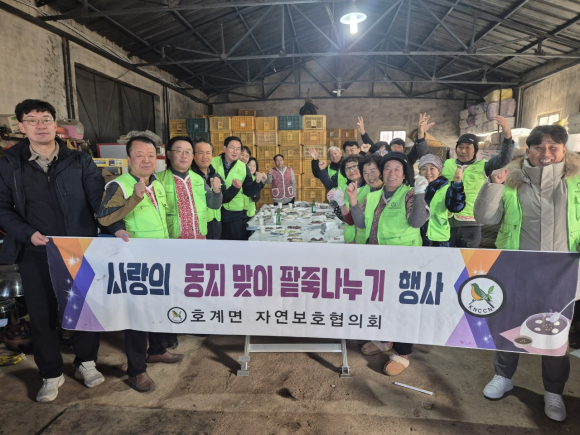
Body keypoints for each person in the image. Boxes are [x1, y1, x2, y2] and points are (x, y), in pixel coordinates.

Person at [0, 99, 105, 402]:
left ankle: (86, 362)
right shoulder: (9, 163)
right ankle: (51, 373)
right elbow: (2, 208)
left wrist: (117, 226)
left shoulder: (79, 160)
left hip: (78, 248)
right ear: (21, 127)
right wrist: (27, 233)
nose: (40, 125)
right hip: (36, 251)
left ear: (55, 124)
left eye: (45, 119)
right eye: (32, 120)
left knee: (83, 309)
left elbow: (99, 201)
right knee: (41, 314)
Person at [474, 125, 577, 422]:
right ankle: (503, 376)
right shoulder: (511, 180)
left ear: (564, 150)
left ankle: (553, 391)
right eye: (538, 147)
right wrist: (493, 185)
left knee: (556, 333)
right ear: (528, 150)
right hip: (518, 269)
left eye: (553, 147)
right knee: (513, 326)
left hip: (561, 273)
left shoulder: (576, 181)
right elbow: (485, 217)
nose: (546, 153)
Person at [97, 136, 184, 393]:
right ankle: (136, 370)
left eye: (150, 155)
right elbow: (105, 218)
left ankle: (156, 350)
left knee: (157, 306)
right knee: (136, 315)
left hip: (160, 256)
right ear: (129, 158)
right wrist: (134, 197)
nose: (146, 160)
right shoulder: (119, 185)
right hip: (136, 260)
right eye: (139, 155)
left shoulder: (156, 184)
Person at [347, 152, 430, 375]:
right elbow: (360, 223)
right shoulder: (374, 196)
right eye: (387, 168)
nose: (391, 173)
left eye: (397, 169)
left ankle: (402, 353)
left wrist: (420, 193)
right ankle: (385, 339)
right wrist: (353, 201)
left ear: (404, 174)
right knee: (381, 302)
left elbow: (417, 222)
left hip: (404, 262)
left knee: (403, 307)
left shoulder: (409, 194)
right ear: (382, 173)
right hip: (377, 262)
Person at [442, 115, 514, 248]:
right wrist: (421, 137)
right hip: (446, 221)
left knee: (467, 259)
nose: (463, 151)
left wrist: (508, 135)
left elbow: (504, 159)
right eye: (460, 147)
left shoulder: (484, 166)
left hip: (471, 224)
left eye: (468, 147)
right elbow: (427, 159)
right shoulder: (447, 164)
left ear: (475, 149)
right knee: (446, 258)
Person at [211, 136, 266, 240]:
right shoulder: (212, 162)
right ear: (224, 148)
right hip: (214, 213)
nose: (235, 151)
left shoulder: (243, 167)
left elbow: (248, 192)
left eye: (238, 149)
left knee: (235, 244)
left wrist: (257, 183)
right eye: (232, 147)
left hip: (234, 214)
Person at [357, 114, 433, 181]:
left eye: (399, 147)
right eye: (394, 147)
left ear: (403, 149)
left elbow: (417, 147)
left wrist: (421, 133)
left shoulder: (408, 159)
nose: (396, 149)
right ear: (390, 149)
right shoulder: (384, 159)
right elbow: (372, 147)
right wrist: (363, 133)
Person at [417, 154, 466, 247]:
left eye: (432, 168)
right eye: (424, 169)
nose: (428, 172)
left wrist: (457, 185)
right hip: (415, 238)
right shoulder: (414, 189)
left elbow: (456, 207)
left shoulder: (446, 188)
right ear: (420, 172)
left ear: (439, 171)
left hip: (438, 239)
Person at [326, 155, 368, 244]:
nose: (351, 170)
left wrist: (342, 203)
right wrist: (334, 202)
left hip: (365, 236)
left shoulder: (369, 187)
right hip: (349, 235)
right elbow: (342, 218)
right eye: (347, 168)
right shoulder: (343, 188)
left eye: (354, 166)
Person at [190, 138, 225, 240]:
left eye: (208, 153)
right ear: (193, 155)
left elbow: (224, 195)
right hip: (198, 225)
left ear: (212, 155)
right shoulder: (189, 176)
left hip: (216, 222)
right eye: (201, 153)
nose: (205, 156)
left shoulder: (215, 174)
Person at [244, 157, 262, 239]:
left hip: (251, 211)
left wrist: (255, 196)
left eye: (254, 166)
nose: (251, 168)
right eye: (249, 165)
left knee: (250, 235)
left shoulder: (256, 179)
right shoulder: (243, 177)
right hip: (242, 211)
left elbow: (258, 196)